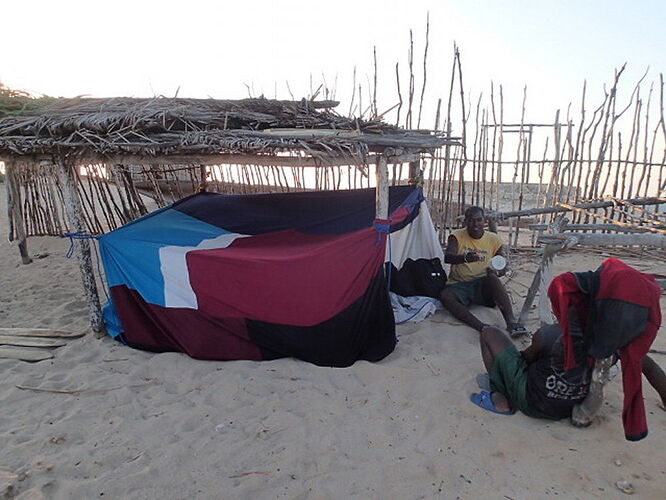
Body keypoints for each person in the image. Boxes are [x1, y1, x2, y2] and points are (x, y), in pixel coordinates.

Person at [470, 323, 666, 420]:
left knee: (490, 333)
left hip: (533, 402)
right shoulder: (614, 342)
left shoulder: (549, 334)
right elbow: (649, 366)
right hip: (575, 407)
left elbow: (525, 360)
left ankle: (500, 397)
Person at [439, 206, 527, 336]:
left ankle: (511, 323)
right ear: (465, 222)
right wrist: (465, 258)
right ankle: (482, 327)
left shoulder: (494, 239)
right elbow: (448, 257)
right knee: (445, 296)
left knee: (493, 279)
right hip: (459, 284)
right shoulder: (456, 236)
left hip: (482, 284)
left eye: (479, 220)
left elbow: (501, 265)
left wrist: (497, 272)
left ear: (484, 221)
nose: (475, 224)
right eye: (471, 220)